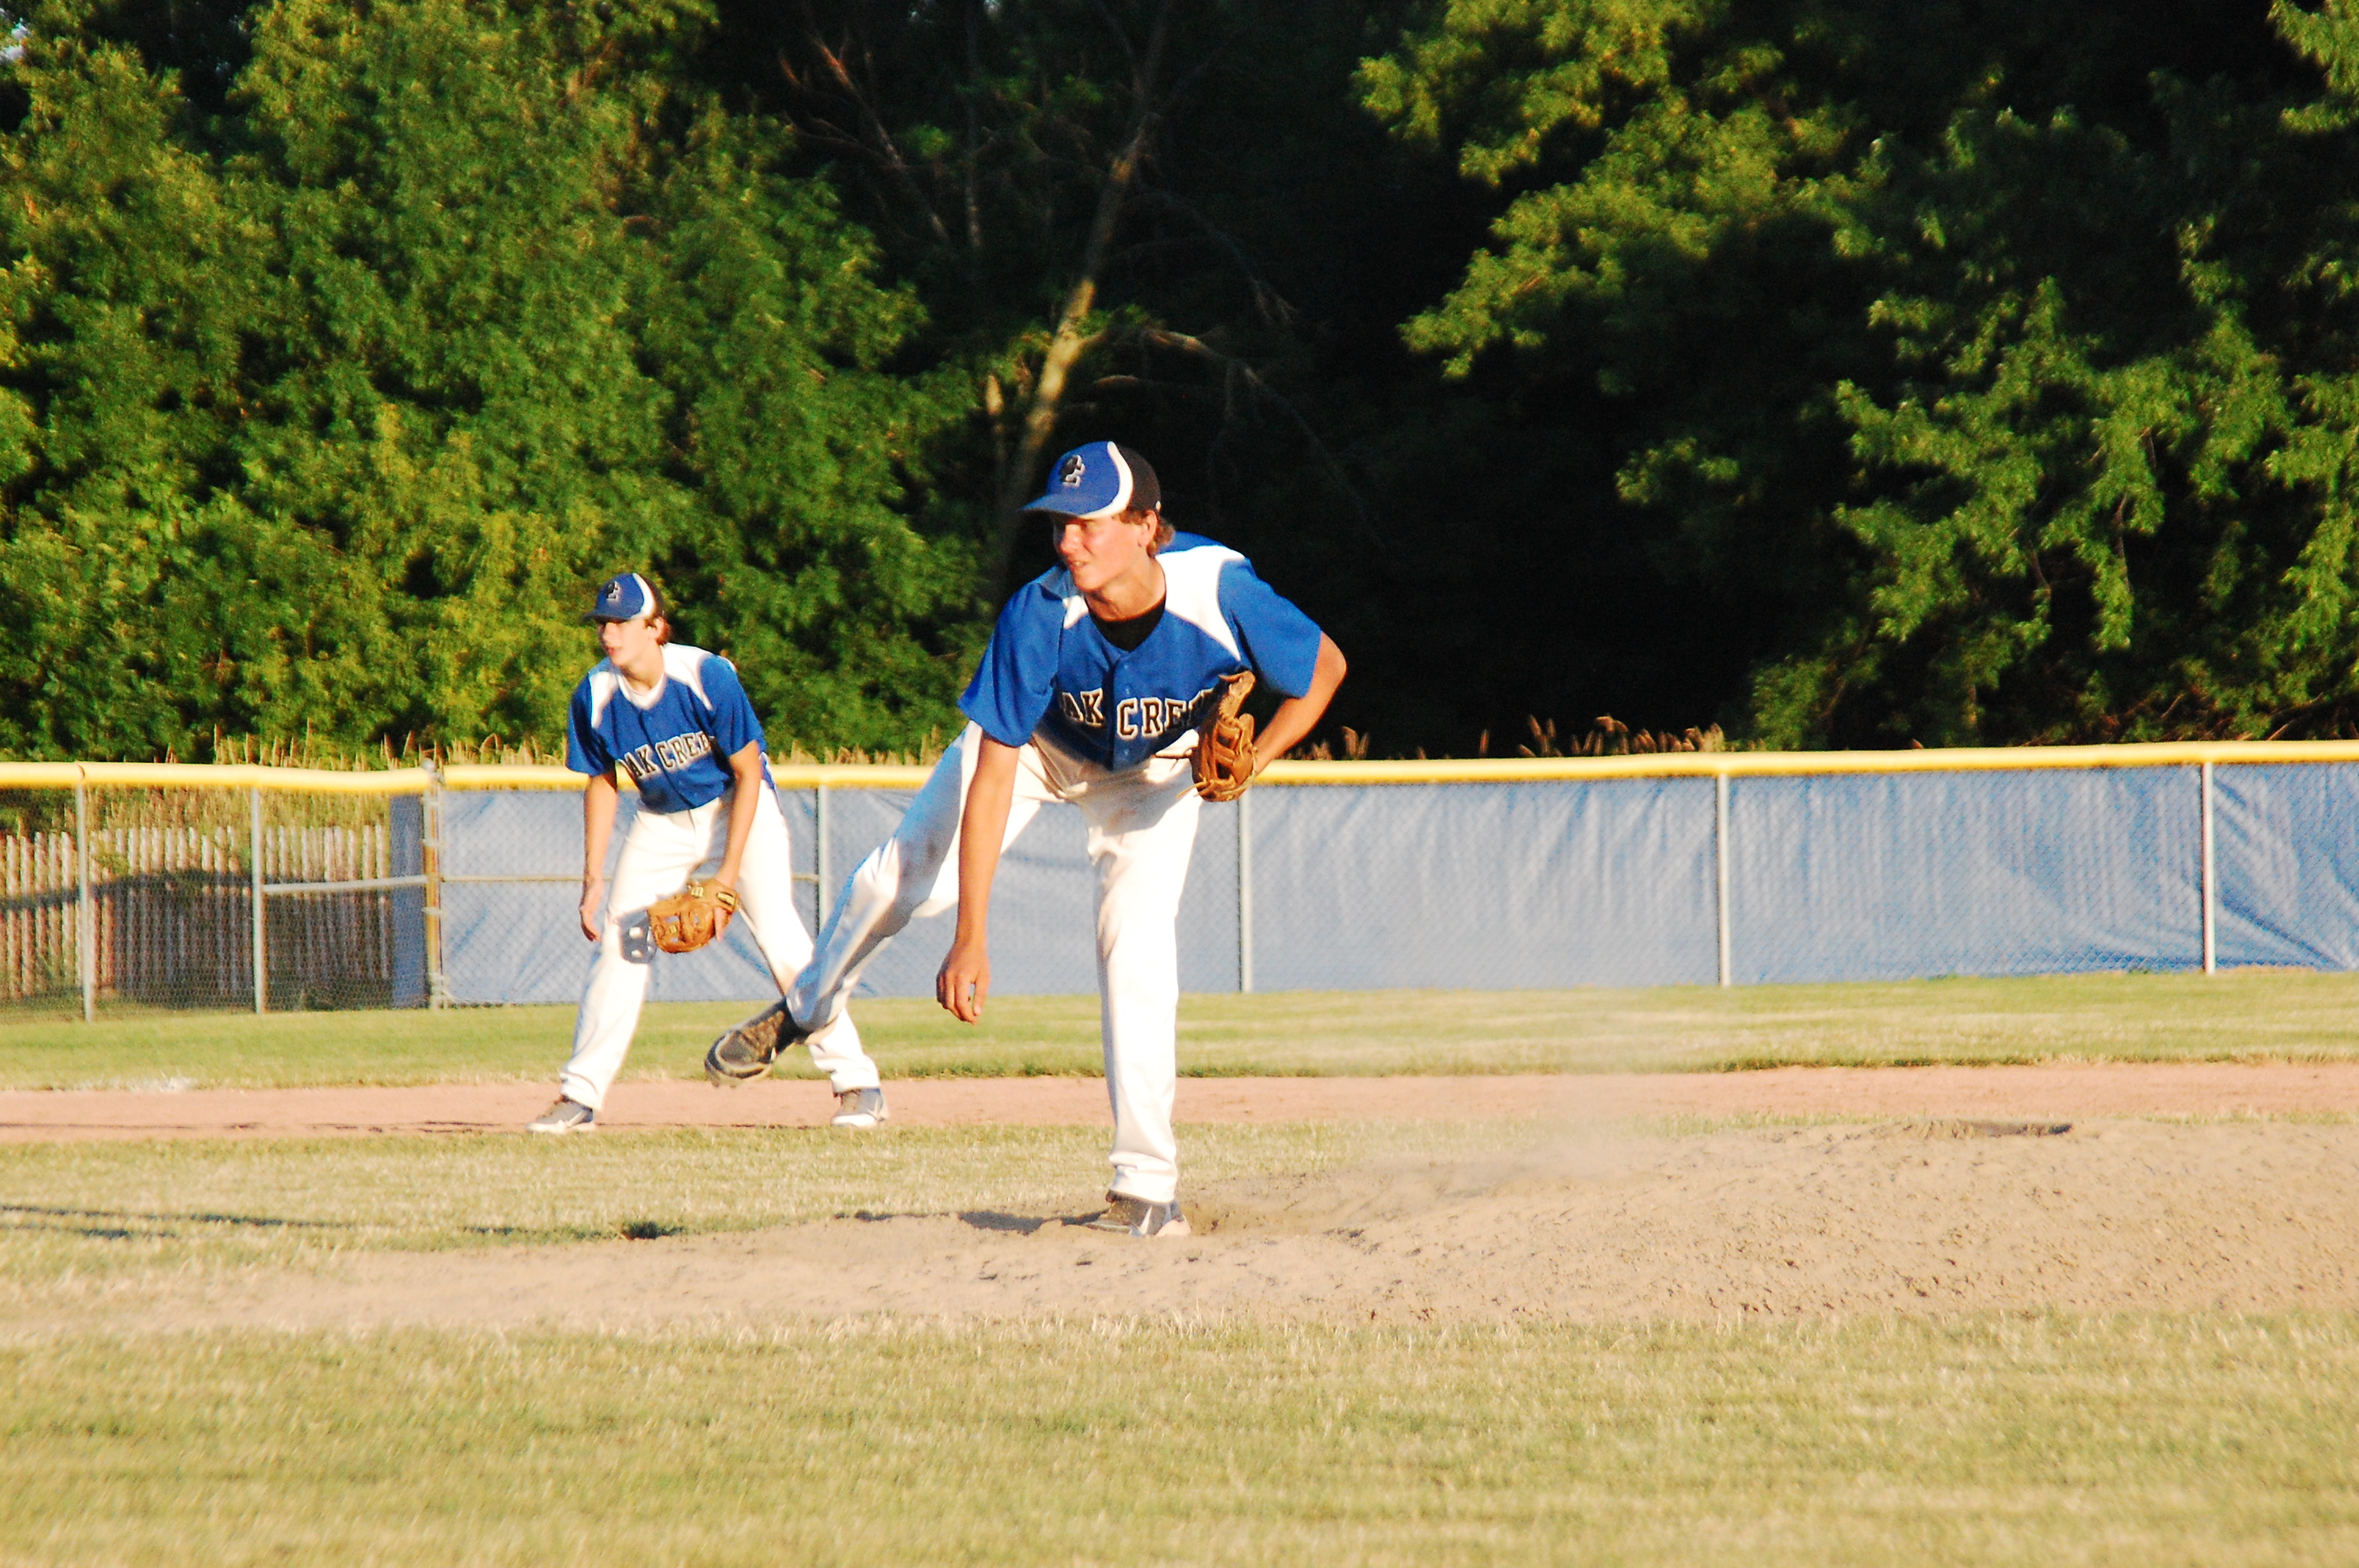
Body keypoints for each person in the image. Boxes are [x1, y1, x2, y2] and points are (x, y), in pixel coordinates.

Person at [703, 443, 1347, 1235]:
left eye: (1088, 524)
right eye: (1059, 525)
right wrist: (970, 934)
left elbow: (1323, 667)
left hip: (1153, 776)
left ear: (1145, 525)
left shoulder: (1218, 589)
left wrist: (1258, 759)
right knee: (902, 879)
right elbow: (994, 773)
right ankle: (807, 1005)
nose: (1067, 542)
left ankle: (1147, 1189)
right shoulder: (1040, 611)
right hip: (1040, 751)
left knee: (1136, 947)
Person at [527, 572, 889, 1134]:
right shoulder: (594, 696)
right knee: (621, 943)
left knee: (782, 938)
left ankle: (859, 1085)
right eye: (602, 624)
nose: (608, 634)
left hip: (736, 806)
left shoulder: (704, 676)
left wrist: (726, 875)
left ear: (656, 627)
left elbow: (748, 773)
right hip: (661, 821)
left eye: (621, 623)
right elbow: (602, 781)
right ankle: (580, 1096)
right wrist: (593, 877)